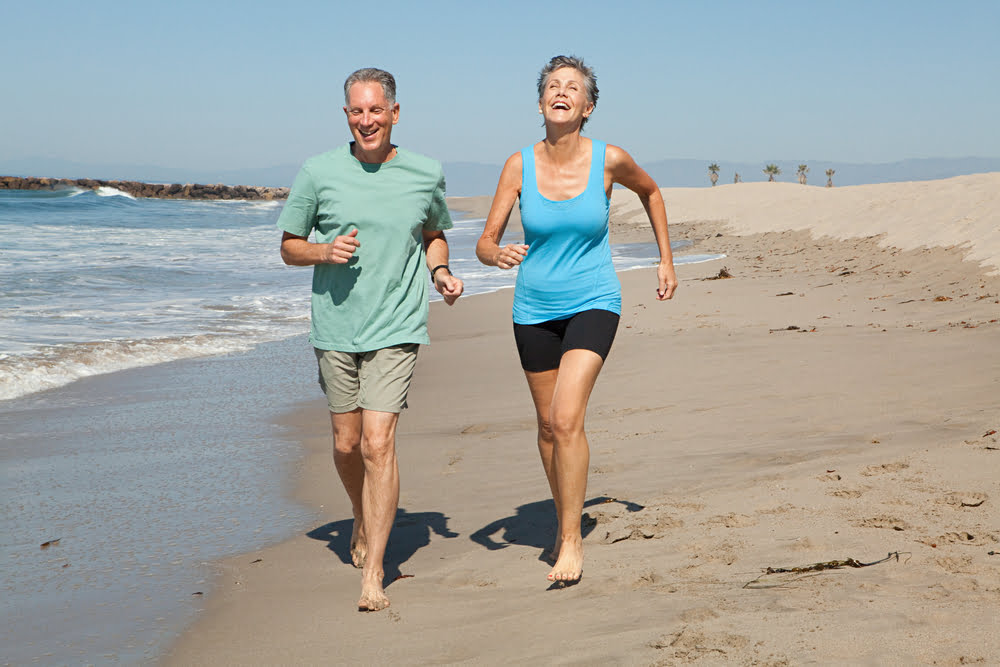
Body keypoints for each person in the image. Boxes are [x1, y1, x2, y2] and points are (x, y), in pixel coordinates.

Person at [475, 55, 677, 584]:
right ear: (540, 101)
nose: (561, 92)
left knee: (566, 419)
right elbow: (484, 241)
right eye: (552, 86)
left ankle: (569, 540)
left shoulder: (609, 160)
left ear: (588, 106)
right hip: (533, 310)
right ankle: (567, 513)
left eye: (573, 88)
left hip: (593, 299)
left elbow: (652, 191)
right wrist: (493, 253)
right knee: (546, 428)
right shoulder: (517, 165)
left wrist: (665, 259)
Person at [278, 67, 463, 611]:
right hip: (336, 326)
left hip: (398, 324)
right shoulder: (318, 173)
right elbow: (289, 246)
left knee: (378, 443)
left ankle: (375, 572)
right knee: (346, 444)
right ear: (346, 116)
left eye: (375, 110)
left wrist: (441, 272)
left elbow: (432, 234)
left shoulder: (425, 173)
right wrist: (322, 251)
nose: (366, 120)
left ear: (394, 113)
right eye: (357, 111)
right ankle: (360, 513)